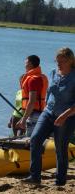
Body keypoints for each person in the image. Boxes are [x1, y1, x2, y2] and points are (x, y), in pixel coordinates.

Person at [22, 47, 75, 186]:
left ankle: (60, 180)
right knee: (35, 139)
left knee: (60, 148)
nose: (58, 64)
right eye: (57, 61)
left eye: (62, 61)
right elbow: (49, 93)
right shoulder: (52, 73)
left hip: (67, 116)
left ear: (70, 61)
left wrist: (65, 115)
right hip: (48, 112)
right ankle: (35, 176)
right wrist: (45, 108)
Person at [16, 55, 48, 137]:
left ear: (30, 64)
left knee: (31, 142)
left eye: (26, 63)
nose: (24, 65)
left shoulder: (32, 80)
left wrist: (23, 119)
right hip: (40, 113)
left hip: (34, 115)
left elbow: (32, 101)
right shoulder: (42, 77)